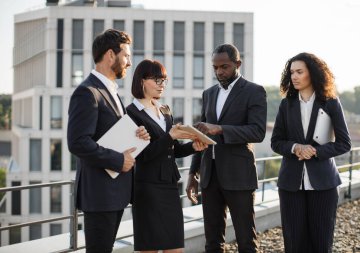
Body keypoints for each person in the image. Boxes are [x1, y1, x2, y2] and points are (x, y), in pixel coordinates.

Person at [67, 29, 150, 253]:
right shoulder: (87, 92)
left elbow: (110, 134)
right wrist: (117, 160)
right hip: (100, 195)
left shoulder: (111, 91)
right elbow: (77, 142)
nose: (130, 63)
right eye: (126, 56)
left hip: (115, 193)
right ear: (110, 55)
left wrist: (137, 134)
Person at [186, 44, 267, 252]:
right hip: (210, 177)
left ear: (238, 64)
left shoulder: (254, 91)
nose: (219, 72)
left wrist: (220, 129)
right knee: (212, 241)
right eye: (215, 67)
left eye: (225, 67)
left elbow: (257, 132)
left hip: (239, 176)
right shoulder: (209, 94)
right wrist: (193, 173)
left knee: (246, 240)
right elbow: (201, 136)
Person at [271, 52, 351, 252]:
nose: (294, 77)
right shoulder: (286, 105)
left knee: (321, 244)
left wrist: (315, 151)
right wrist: (295, 147)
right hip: (290, 184)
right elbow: (276, 142)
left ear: (312, 74)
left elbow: (344, 143)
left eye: (299, 72)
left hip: (324, 184)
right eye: (291, 73)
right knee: (294, 244)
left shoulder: (331, 103)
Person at [126, 59, 208, 253]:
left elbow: (175, 150)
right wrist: (170, 135)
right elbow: (142, 155)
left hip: (170, 186)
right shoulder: (130, 113)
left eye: (164, 80)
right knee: (150, 249)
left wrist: (194, 147)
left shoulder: (164, 110)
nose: (162, 84)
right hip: (147, 188)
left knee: (175, 248)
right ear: (142, 81)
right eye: (157, 80)